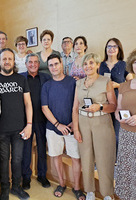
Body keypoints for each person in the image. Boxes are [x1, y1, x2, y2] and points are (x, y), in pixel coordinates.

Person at [72, 53, 116, 200]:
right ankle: (89, 190)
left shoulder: (105, 81)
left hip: (101, 123)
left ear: (97, 65)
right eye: (85, 64)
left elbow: (113, 106)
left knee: (104, 159)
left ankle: (107, 193)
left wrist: (100, 106)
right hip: (83, 124)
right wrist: (76, 129)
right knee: (86, 158)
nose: (88, 66)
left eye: (91, 63)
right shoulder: (79, 83)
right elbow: (75, 108)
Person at [41, 54, 85, 200]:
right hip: (53, 128)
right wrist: (58, 125)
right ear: (49, 68)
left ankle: (77, 188)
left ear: (61, 64)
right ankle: (61, 183)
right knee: (56, 156)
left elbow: (78, 104)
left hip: (72, 128)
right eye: (51, 65)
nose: (54, 67)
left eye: (56, 64)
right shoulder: (47, 85)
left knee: (76, 158)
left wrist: (74, 123)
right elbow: (45, 108)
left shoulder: (73, 82)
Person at [0, 48, 32, 200]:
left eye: (10, 59)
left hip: (19, 129)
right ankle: (4, 190)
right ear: (0, 61)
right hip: (0, 129)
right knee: (3, 160)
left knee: (17, 159)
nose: (7, 61)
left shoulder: (21, 79)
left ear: (14, 61)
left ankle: (16, 187)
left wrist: (29, 124)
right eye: (4, 59)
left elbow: (28, 103)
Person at [20, 53, 51, 190]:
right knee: (26, 150)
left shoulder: (46, 77)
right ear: (26, 64)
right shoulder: (20, 78)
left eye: (35, 62)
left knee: (41, 149)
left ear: (39, 64)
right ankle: (26, 177)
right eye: (30, 62)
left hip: (42, 119)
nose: (33, 64)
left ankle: (42, 175)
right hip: (25, 121)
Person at [99, 38, 133, 153]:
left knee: (118, 133)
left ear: (119, 49)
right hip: (104, 103)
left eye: (114, 46)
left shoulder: (124, 65)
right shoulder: (100, 65)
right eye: (109, 46)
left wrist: (118, 85)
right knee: (104, 133)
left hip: (120, 103)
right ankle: (105, 159)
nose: (111, 49)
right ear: (106, 49)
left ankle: (117, 161)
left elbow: (131, 84)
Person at [114, 49, 136, 200]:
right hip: (126, 133)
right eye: (135, 62)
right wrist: (119, 117)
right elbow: (118, 109)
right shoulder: (123, 86)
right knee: (127, 169)